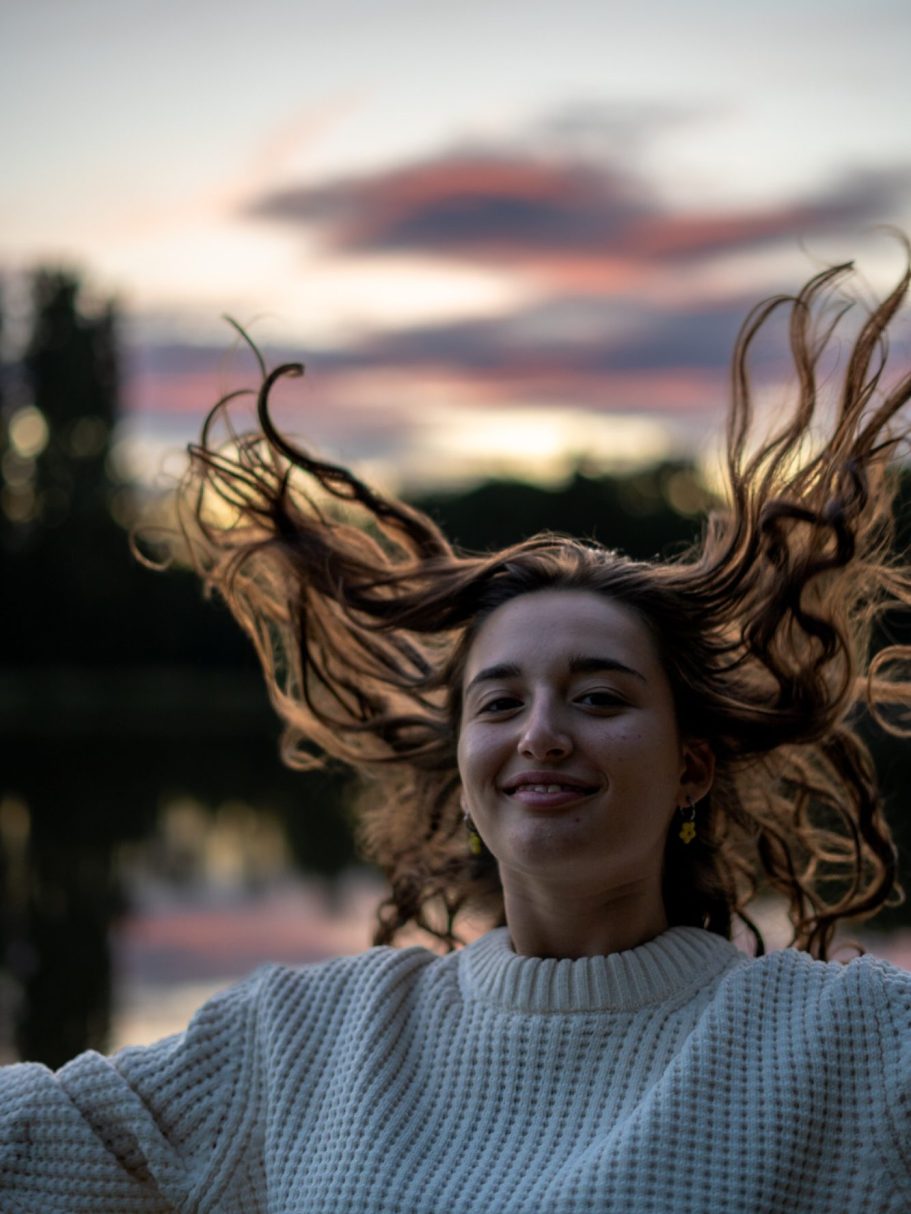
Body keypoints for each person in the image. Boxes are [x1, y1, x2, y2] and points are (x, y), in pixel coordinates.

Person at [2, 255, 911, 1213]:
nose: (542, 734)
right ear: (465, 763)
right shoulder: (307, 1038)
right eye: (499, 702)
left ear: (691, 768)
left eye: (599, 698)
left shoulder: (848, 1042)